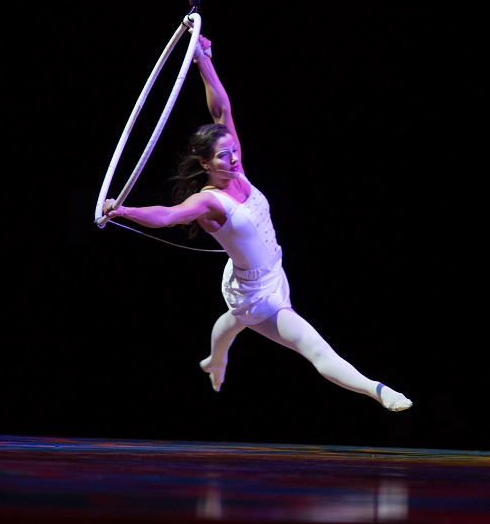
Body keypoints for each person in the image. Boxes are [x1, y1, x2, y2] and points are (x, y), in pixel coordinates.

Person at [103, 33, 412, 412]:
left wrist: (202, 58)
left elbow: (222, 111)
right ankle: (378, 390)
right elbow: (167, 216)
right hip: (256, 295)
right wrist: (121, 210)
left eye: (232, 151)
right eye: (222, 156)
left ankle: (215, 360)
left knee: (233, 323)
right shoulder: (208, 201)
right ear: (205, 165)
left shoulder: (239, 173)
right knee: (312, 347)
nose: (232, 158)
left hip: (269, 272)